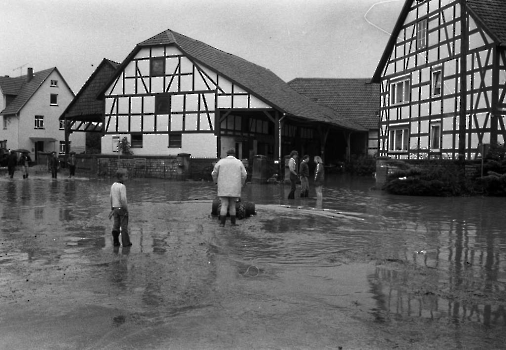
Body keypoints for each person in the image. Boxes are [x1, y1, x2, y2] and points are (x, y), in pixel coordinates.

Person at [212, 148, 247, 227]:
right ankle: (233, 223)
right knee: (232, 205)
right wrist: (242, 183)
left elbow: (214, 173)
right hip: (235, 187)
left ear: (227, 154)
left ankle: (222, 223)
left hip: (223, 186)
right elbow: (244, 175)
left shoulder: (221, 162)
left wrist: (216, 182)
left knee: (224, 204)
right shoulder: (239, 162)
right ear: (234, 154)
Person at [109, 168, 132, 247]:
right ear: (121, 177)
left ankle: (116, 241)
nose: (127, 177)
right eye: (126, 176)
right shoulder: (122, 186)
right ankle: (126, 243)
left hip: (115, 208)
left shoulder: (113, 185)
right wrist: (126, 209)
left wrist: (112, 208)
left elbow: (111, 197)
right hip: (121, 208)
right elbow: (123, 199)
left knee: (116, 225)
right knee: (124, 226)